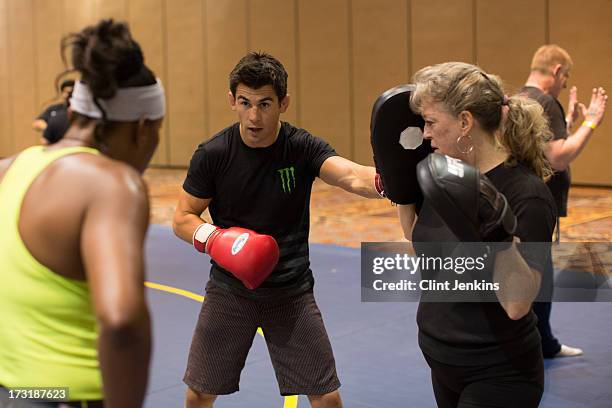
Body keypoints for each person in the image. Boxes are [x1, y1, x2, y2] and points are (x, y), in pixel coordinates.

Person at [172, 52, 383, 408]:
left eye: (265, 104)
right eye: (245, 103)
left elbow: (349, 174)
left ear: (283, 103)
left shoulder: (300, 147)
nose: (254, 116)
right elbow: (183, 217)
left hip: (290, 292)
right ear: (232, 101)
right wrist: (218, 240)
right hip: (230, 291)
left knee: (327, 397)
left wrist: (389, 180)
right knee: (199, 393)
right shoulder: (214, 153)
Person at [0, 19, 165, 408]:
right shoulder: (112, 185)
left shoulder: (10, 168)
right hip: (72, 398)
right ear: (143, 127)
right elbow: (122, 319)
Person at [398, 62, 556, 407]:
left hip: (498, 372)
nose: (424, 133)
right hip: (442, 360)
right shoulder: (444, 175)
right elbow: (423, 244)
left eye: (431, 122)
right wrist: (402, 189)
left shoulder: (525, 194)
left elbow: (517, 305)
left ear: (465, 122)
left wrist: (497, 237)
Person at [521, 44, 607, 358]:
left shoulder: (520, 97)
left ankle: (541, 341)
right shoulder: (545, 101)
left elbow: (540, 149)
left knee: (530, 273)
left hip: (519, 201)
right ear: (557, 71)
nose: (566, 84)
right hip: (536, 204)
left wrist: (566, 124)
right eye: (566, 77)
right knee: (538, 277)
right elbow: (558, 157)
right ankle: (541, 344)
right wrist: (592, 121)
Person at [32, 79, 75, 145]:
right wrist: (51, 129)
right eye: (65, 92)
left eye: (71, 93)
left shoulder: (80, 111)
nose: (68, 95)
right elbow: (37, 123)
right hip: (54, 145)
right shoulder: (55, 109)